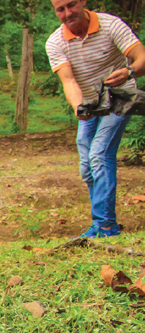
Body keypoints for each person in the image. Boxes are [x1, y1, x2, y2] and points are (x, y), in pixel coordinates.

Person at [46, 0, 145, 238]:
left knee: (99, 154)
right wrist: (79, 107)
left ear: (82, 2)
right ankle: (102, 221)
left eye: (71, 5)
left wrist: (129, 71)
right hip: (89, 102)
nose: (68, 13)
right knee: (86, 165)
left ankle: (105, 225)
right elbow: (69, 81)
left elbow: (141, 58)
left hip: (119, 97)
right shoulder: (55, 42)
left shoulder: (111, 25)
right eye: (61, 9)